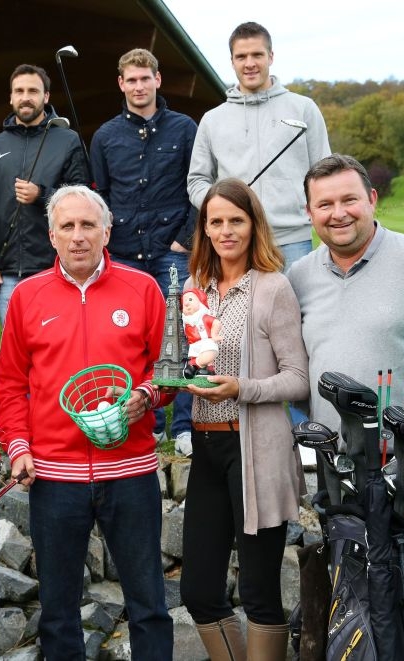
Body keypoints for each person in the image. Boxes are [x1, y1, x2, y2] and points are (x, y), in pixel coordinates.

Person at [287, 154, 404, 660]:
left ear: (372, 200)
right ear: (309, 213)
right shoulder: (300, 276)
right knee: (355, 596)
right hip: (339, 471)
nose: (338, 213)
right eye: (324, 204)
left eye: (349, 199)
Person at [0, 185, 173, 660]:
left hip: (130, 471)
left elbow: (169, 373)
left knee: (149, 603)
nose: (78, 236)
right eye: (67, 226)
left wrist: (146, 394)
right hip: (55, 477)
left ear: (107, 231)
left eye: (87, 225)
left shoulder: (143, 288)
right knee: (57, 609)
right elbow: (8, 385)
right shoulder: (28, 297)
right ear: (51, 235)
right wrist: (17, 446)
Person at [179, 178, 309, 660]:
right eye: (217, 221)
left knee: (258, 592)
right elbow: (191, 360)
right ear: (205, 229)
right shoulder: (195, 290)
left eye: (237, 220)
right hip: (208, 447)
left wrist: (244, 389)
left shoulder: (273, 288)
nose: (227, 230)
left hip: (256, 450)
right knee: (197, 591)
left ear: (254, 225)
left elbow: (298, 378)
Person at [89, 47, 198, 453]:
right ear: (121, 84)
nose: (138, 86)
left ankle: (184, 423)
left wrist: (183, 239)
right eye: (130, 80)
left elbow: (198, 188)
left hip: (172, 250)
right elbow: (99, 195)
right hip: (124, 252)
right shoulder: (105, 136)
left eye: (144, 78)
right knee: (134, 337)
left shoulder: (185, 128)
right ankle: (147, 419)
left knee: (183, 336)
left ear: (157, 79)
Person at [187, 21, 330, 269]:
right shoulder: (212, 120)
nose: (249, 63)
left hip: (292, 242)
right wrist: (222, 209)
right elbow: (197, 181)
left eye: (257, 55)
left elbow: (325, 176)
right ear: (232, 61)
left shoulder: (303, 109)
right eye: (241, 56)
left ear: (271, 56)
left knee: (297, 309)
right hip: (237, 243)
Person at [0, 64, 88, 322]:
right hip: (9, 276)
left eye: (33, 91)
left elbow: (82, 199)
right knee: (13, 353)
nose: (25, 97)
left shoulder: (68, 140)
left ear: (46, 97)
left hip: (56, 268)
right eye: (19, 91)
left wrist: (41, 195)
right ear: (11, 97)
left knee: (59, 347)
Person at [181, 287, 222, 376]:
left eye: (190, 299)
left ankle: (193, 364)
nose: (187, 303)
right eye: (184, 303)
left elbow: (216, 322)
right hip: (194, 346)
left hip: (206, 342)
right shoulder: (187, 323)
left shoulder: (204, 318)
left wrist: (214, 335)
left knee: (210, 354)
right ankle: (207, 370)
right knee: (206, 361)